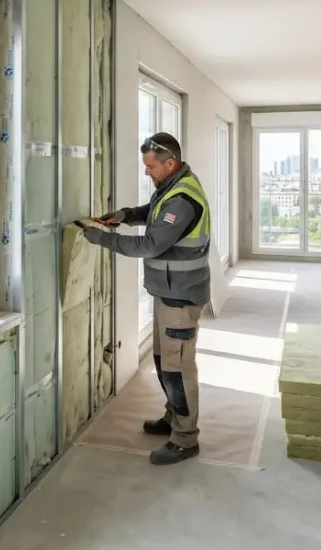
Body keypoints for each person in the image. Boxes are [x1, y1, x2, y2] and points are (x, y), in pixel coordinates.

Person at [81, 132, 211, 466]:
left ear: (171, 163)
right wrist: (125, 215)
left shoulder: (182, 199)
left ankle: (185, 439)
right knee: (163, 360)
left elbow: (150, 245)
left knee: (177, 368)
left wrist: (102, 239)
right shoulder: (171, 186)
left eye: (151, 166)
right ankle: (173, 417)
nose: (146, 171)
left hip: (180, 297)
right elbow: (153, 212)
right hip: (168, 291)